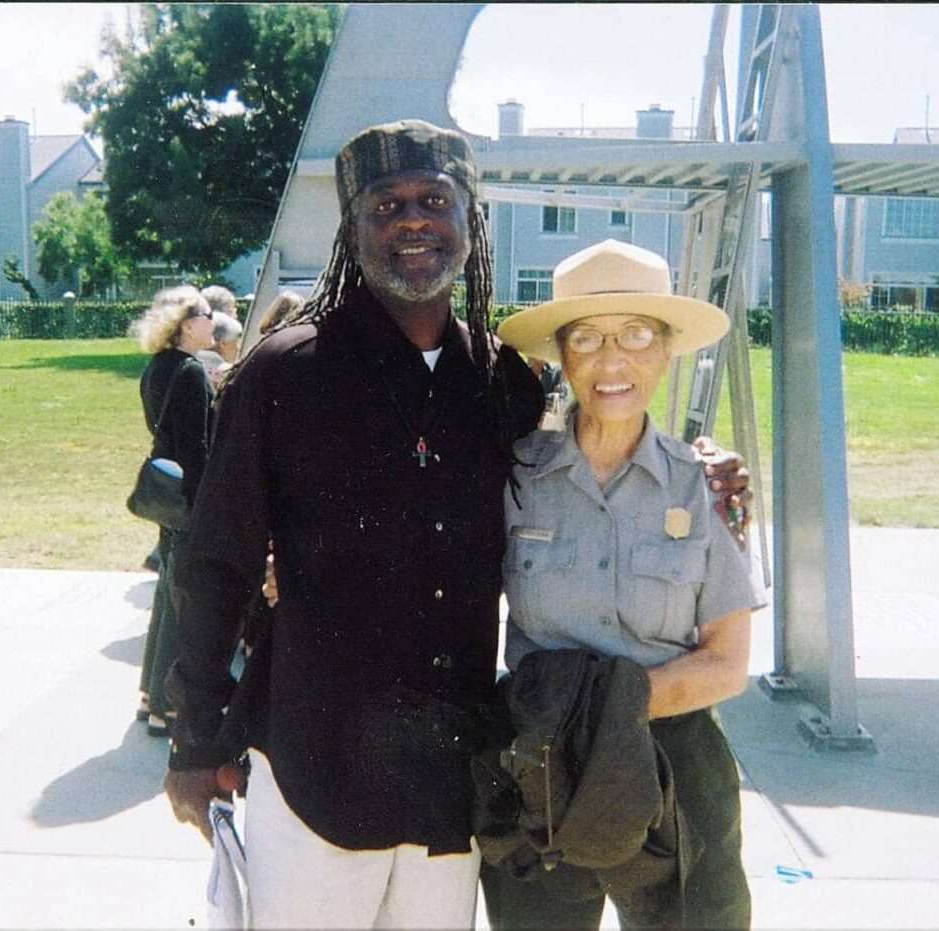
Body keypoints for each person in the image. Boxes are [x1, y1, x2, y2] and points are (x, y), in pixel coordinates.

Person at [161, 121, 750, 929]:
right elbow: (216, 562)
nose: (413, 220)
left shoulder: (500, 382)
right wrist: (196, 739)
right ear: (353, 226)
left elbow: (584, 458)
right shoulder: (284, 374)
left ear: (469, 221)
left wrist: (701, 469)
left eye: (435, 200)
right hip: (314, 768)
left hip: (456, 782)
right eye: (386, 203)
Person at [483, 238, 764, 930]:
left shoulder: (700, 484)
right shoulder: (512, 478)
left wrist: (608, 709)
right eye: (587, 337)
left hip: (673, 760)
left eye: (638, 334)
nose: (613, 361)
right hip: (539, 763)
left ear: (667, 349)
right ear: (560, 355)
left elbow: (728, 661)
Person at [130, 286, 215, 735]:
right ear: (185, 324)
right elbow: (197, 450)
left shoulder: (156, 369)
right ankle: (169, 706)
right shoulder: (191, 373)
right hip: (188, 501)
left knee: (167, 597)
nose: (213, 320)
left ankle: (150, 694)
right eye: (205, 314)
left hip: (166, 496)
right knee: (185, 603)